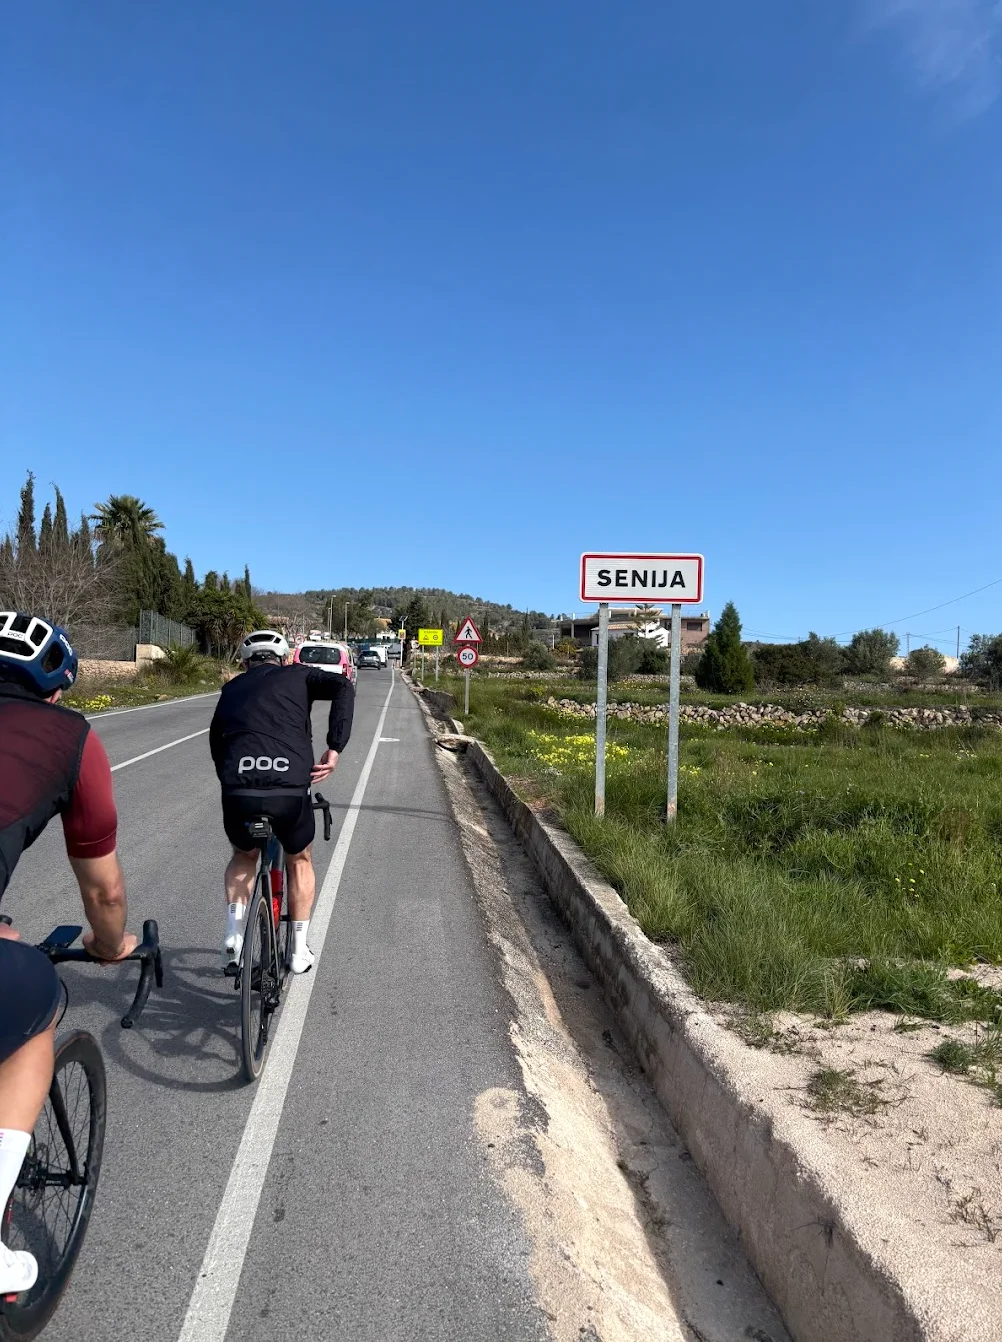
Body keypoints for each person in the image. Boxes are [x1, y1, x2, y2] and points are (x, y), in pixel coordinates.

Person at [0, 611, 137, 1295]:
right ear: (54, 691)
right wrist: (110, 947)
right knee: (37, 1002)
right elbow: (104, 892)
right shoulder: (69, 737)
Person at [209, 630, 354, 975]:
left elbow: (217, 744)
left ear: (245, 664)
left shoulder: (231, 688)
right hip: (289, 788)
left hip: (240, 789)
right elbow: (343, 686)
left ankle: (234, 933)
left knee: (244, 855)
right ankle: (299, 950)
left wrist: (234, 781)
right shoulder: (299, 674)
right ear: (286, 659)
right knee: (299, 858)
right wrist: (335, 746)